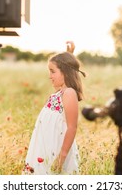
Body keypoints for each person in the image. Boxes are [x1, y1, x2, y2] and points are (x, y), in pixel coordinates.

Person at [22, 41, 86, 174]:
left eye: (52, 71)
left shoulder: (69, 93)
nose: (49, 76)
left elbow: (72, 127)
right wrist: (69, 55)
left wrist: (61, 157)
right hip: (44, 149)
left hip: (56, 153)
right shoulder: (60, 93)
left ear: (66, 72)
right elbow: (66, 68)